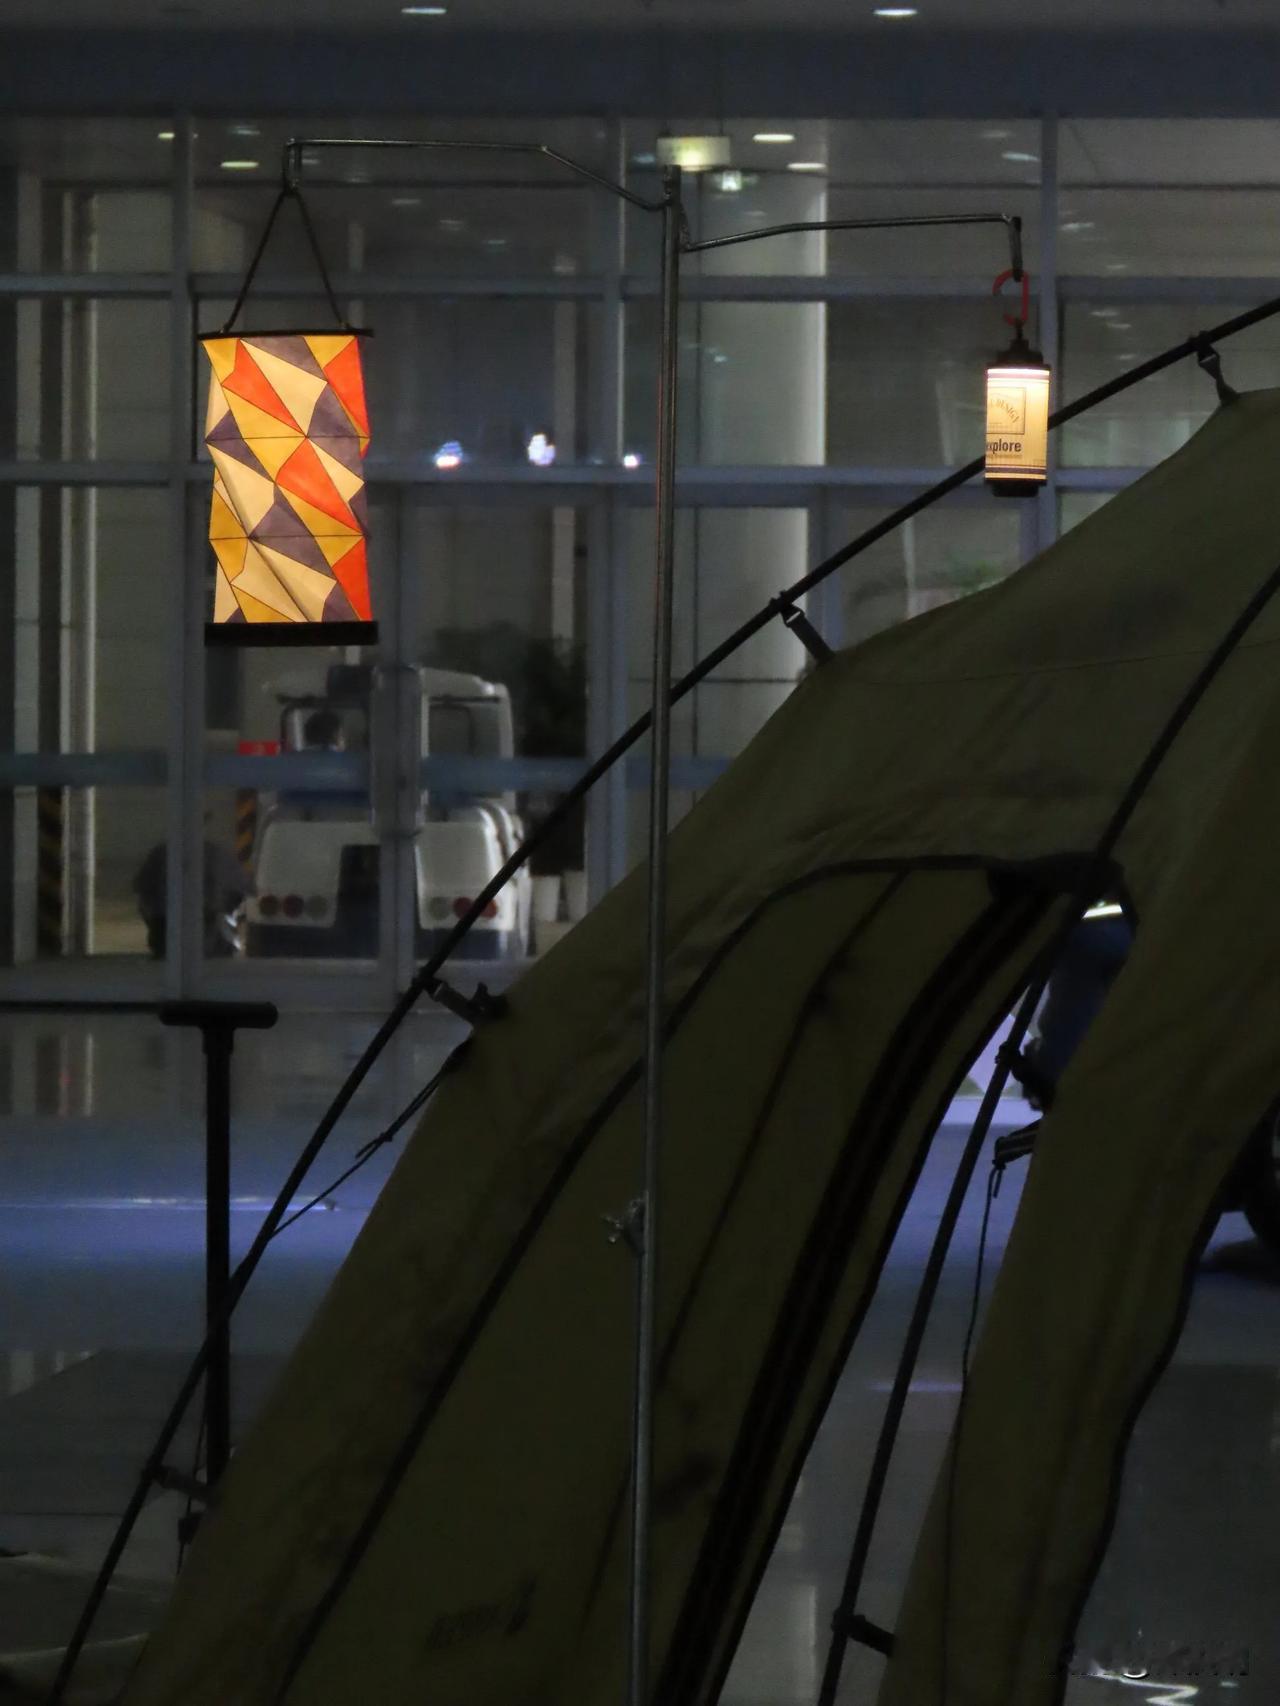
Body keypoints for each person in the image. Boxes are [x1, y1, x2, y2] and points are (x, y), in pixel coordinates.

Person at [133, 829, 248, 959]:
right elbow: (238, 890)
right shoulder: (216, 855)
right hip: (200, 919)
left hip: (167, 921)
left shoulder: (161, 854)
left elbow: (143, 892)